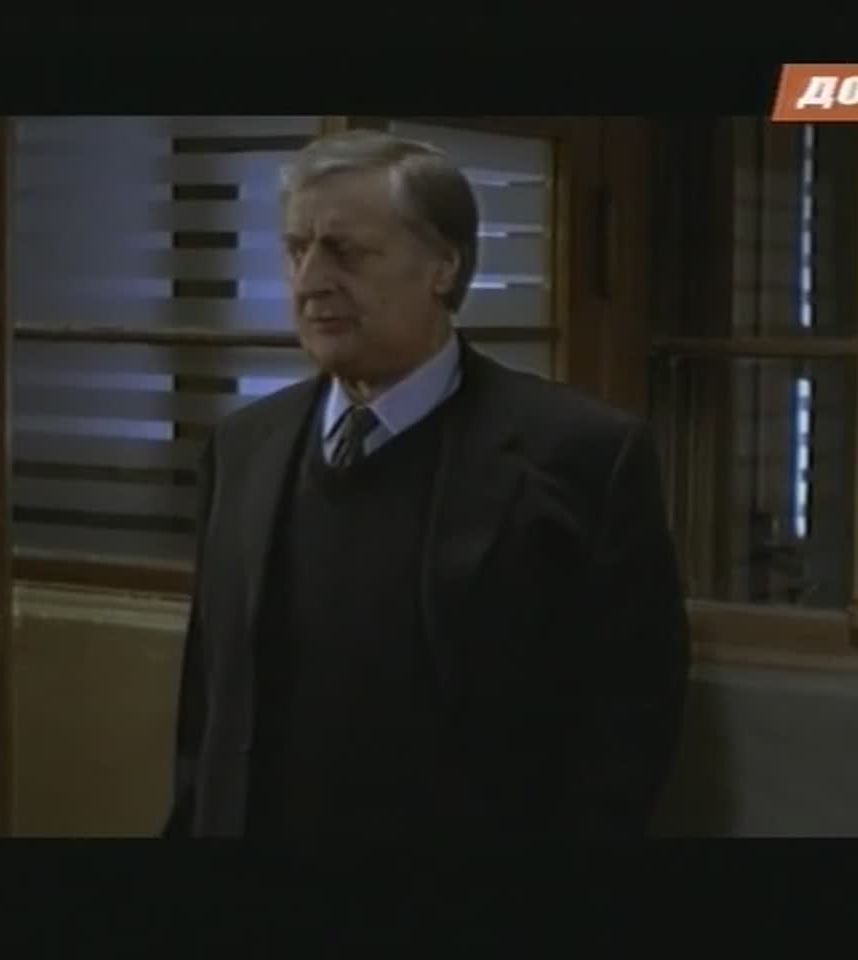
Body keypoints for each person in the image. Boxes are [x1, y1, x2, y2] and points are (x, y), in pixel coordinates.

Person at [162, 129, 689, 847]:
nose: (310, 281)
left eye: (346, 252)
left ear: (443, 266)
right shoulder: (243, 447)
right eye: (296, 250)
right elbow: (207, 710)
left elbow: (629, 723)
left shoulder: (583, 456)